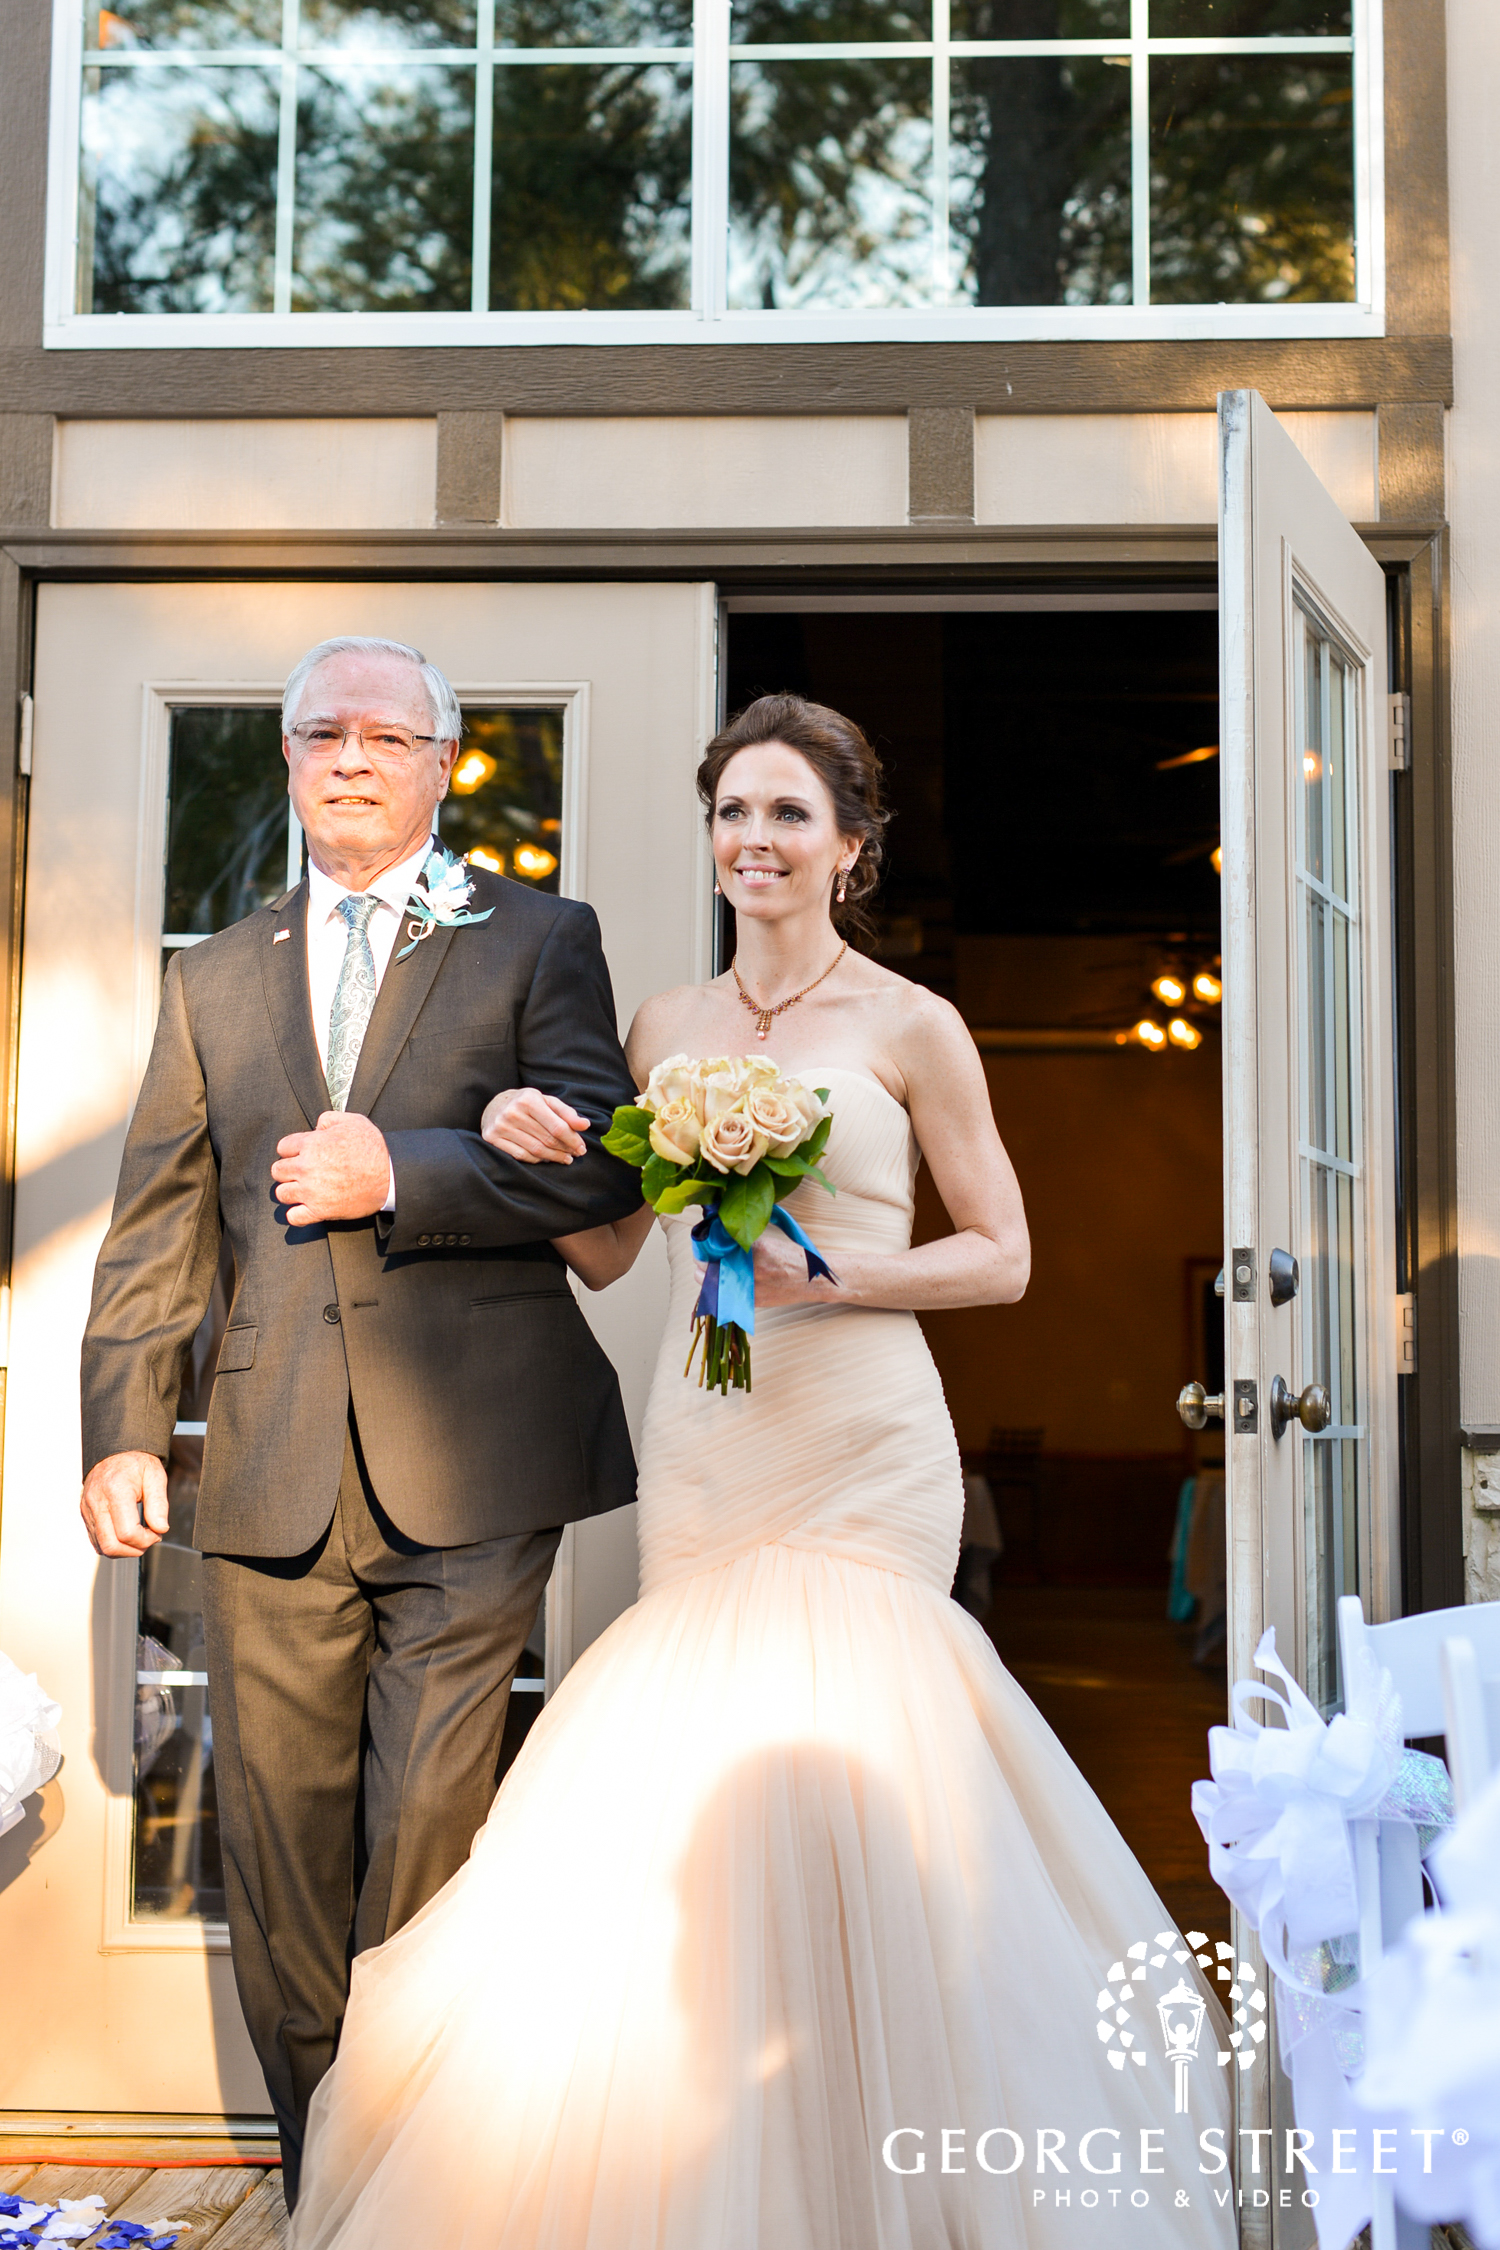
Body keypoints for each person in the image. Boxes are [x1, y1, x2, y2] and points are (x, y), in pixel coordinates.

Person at [291, 692, 1235, 2249]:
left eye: (790, 814)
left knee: (874, 1746)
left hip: (862, 1434)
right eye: (734, 812)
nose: (756, 841)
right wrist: (533, 1145)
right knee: (686, 1745)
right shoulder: (664, 1026)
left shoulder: (913, 1026)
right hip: (714, 1435)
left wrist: (839, 1282)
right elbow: (611, 1250)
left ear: (851, 847)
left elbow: (1002, 1256)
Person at [78, 635, 642, 2206]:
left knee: (429, 1833)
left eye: (386, 735)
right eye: (321, 731)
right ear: (286, 759)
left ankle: (419, 2161)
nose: (350, 756)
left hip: (472, 1459)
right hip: (263, 1470)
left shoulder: (539, 939)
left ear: (441, 764)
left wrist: (410, 1168)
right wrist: (126, 1427)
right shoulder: (214, 972)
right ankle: (329, 2166)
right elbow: (156, 1225)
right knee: (276, 1849)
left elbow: (604, 1173)